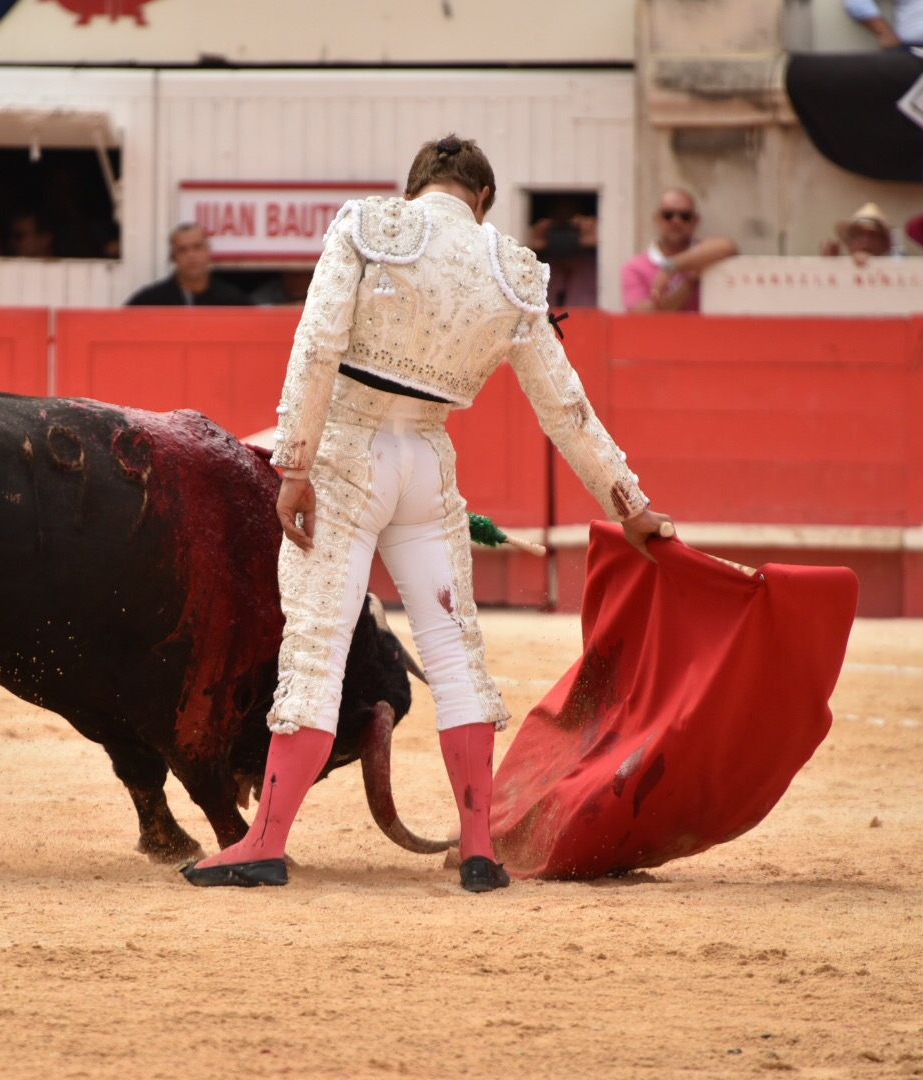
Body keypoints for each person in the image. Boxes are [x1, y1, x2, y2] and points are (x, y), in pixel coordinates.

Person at [180, 135, 671, 893]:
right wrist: (631, 502)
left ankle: (266, 842)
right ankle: (479, 849)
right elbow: (566, 410)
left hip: (345, 454)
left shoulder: (369, 226)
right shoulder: (511, 269)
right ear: (482, 200)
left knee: (316, 647)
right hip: (426, 466)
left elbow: (316, 348)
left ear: (417, 188)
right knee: (454, 651)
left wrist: (295, 466)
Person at [620, 188, 738, 313]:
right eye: (668, 215)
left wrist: (670, 267)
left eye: (685, 216)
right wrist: (691, 281)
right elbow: (643, 316)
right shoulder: (635, 267)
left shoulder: (706, 252)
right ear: (657, 219)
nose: (676, 221)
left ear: (695, 221)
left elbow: (728, 247)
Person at [124, 223, 251, 306]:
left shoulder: (232, 301)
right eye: (182, 250)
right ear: (173, 257)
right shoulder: (150, 302)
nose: (191, 256)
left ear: (208, 252)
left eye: (197, 247)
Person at [820, 202, 895, 264]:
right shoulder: (838, 266)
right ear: (848, 242)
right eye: (860, 235)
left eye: (873, 236)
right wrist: (829, 265)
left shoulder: (896, 269)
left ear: (885, 244)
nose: (866, 241)